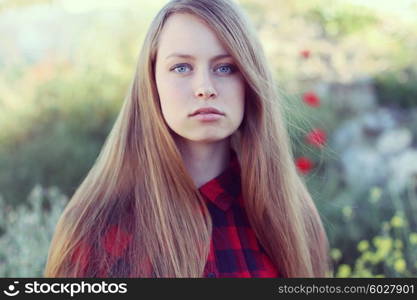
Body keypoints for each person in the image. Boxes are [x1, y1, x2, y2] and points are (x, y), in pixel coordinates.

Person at [44, 0, 332, 278]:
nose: (205, 88)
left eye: (225, 67)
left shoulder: (292, 219)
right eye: (181, 67)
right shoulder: (97, 229)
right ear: (152, 82)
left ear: (249, 80)